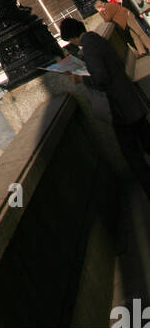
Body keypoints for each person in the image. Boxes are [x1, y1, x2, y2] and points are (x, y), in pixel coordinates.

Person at [59, 16, 150, 199]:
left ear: (72, 37)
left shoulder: (89, 47)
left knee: (132, 155)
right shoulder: (96, 39)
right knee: (146, 138)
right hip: (130, 101)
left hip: (120, 109)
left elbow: (101, 78)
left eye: (69, 40)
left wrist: (80, 78)